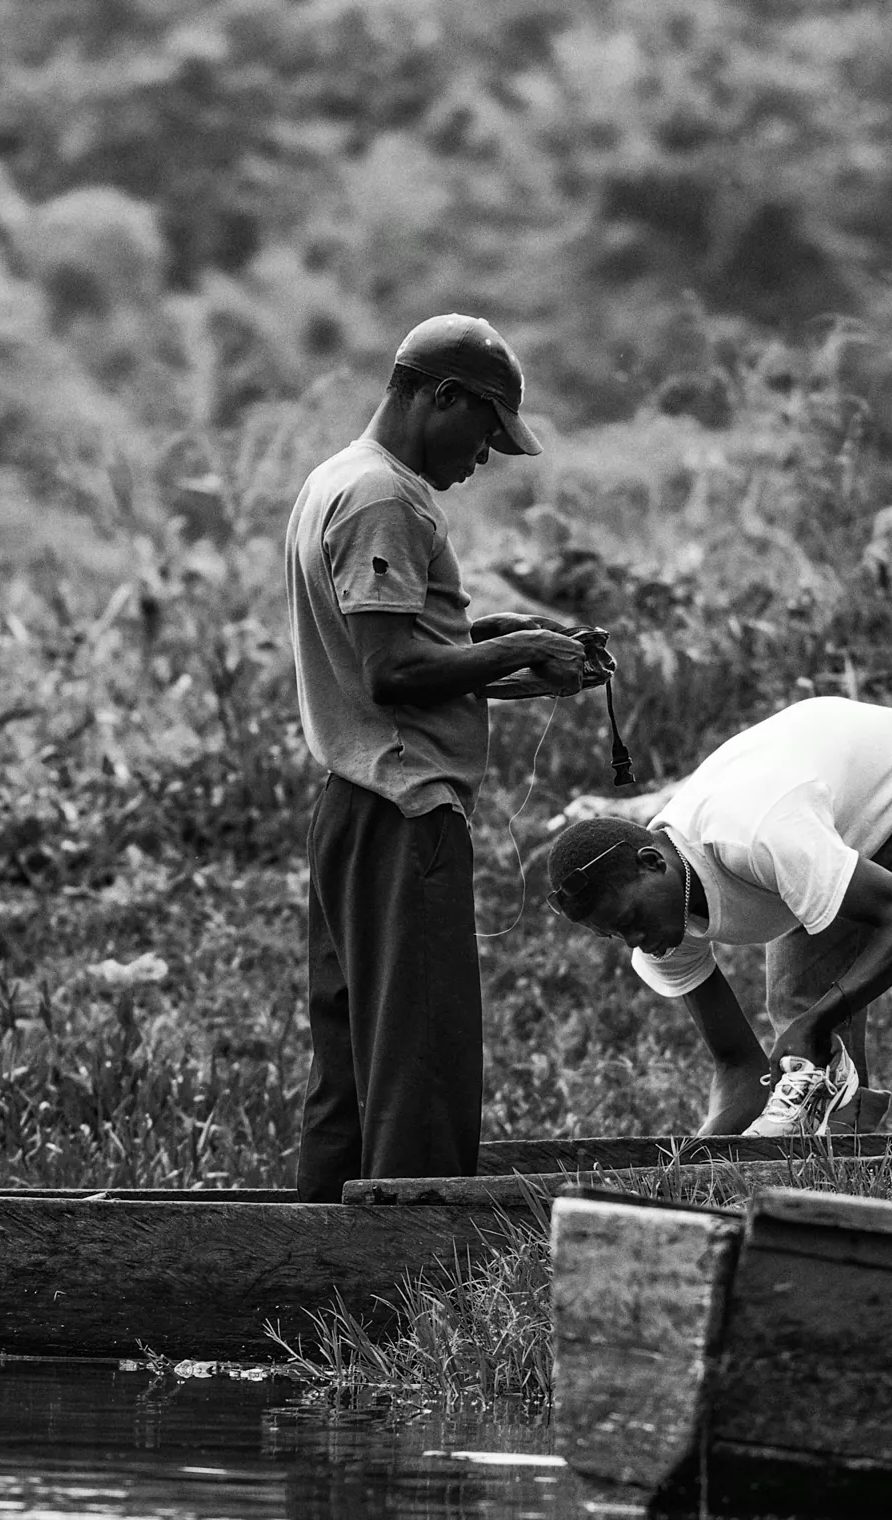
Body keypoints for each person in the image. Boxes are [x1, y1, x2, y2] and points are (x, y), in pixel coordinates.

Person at [285, 313, 605, 1201]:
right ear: (441, 397)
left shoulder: (333, 480)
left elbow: (392, 648)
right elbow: (391, 672)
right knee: (420, 1058)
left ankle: (314, 1271)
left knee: (352, 1060)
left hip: (350, 805)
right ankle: (410, 1281)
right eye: (486, 432)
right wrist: (508, 653)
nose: (485, 458)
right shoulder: (386, 496)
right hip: (403, 807)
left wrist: (505, 640)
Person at [544, 696, 892, 1136]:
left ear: (652, 863)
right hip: (822, 826)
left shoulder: (754, 834)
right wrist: (700, 1162)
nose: (636, 941)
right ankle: (846, 1159)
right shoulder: (659, 928)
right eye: (615, 936)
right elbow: (740, 1066)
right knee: (800, 1013)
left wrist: (816, 1022)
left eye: (631, 920)